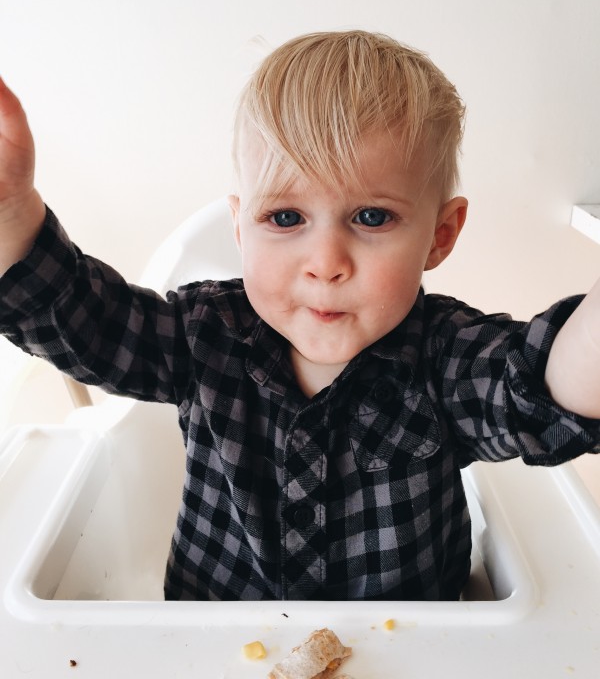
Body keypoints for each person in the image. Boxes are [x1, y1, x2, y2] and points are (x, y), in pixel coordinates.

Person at [0, 31, 599, 602]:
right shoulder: (206, 334)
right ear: (241, 227)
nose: (326, 264)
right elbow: (88, 324)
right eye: (286, 218)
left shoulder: (446, 358)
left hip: (405, 653)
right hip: (217, 644)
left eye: (371, 218)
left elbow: (547, 391)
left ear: (440, 235)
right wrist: (10, 215)